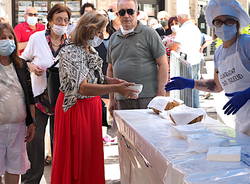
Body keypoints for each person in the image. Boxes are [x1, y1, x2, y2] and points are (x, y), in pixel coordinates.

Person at [51, 11, 137, 184]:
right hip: (75, 108)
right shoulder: (71, 51)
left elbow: (95, 76)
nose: (100, 36)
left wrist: (115, 81)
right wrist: (116, 88)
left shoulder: (88, 49)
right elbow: (82, 87)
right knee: (77, 156)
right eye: (98, 32)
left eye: (102, 32)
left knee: (90, 155)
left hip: (91, 107)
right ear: (87, 29)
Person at [165, 0, 250, 136]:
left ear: (237, 23)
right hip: (242, 121)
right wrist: (190, 83)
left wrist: (247, 93)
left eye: (229, 21)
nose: (223, 25)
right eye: (218, 22)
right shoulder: (219, 52)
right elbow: (217, 86)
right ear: (213, 25)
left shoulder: (246, 43)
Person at [20, 4, 71, 183]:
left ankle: (59, 178)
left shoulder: (71, 42)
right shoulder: (37, 38)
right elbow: (22, 60)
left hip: (62, 100)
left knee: (60, 144)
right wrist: (32, 67)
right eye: (58, 20)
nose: (62, 23)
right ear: (49, 22)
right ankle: (31, 179)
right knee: (35, 143)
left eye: (65, 20)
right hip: (39, 98)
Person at [107, 0, 169, 113]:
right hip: (121, 100)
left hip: (147, 99)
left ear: (137, 13)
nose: (126, 15)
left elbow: (163, 64)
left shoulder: (149, 33)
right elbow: (110, 69)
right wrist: (112, 99)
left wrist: (160, 95)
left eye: (130, 11)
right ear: (117, 15)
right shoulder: (113, 38)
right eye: (122, 12)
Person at [0, 22, 35, 184]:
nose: (7, 41)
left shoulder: (20, 65)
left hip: (18, 128)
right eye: (2, 38)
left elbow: (29, 95)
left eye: (9, 37)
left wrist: (31, 122)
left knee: (15, 168)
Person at [170, 13, 202, 107]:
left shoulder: (184, 29)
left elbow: (175, 45)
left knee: (188, 89)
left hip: (188, 61)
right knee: (195, 87)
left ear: (180, 18)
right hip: (195, 59)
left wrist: (168, 45)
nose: (177, 21)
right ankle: (195, 109)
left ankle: (191, 110)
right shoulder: (194, 28)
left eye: (177, 19)